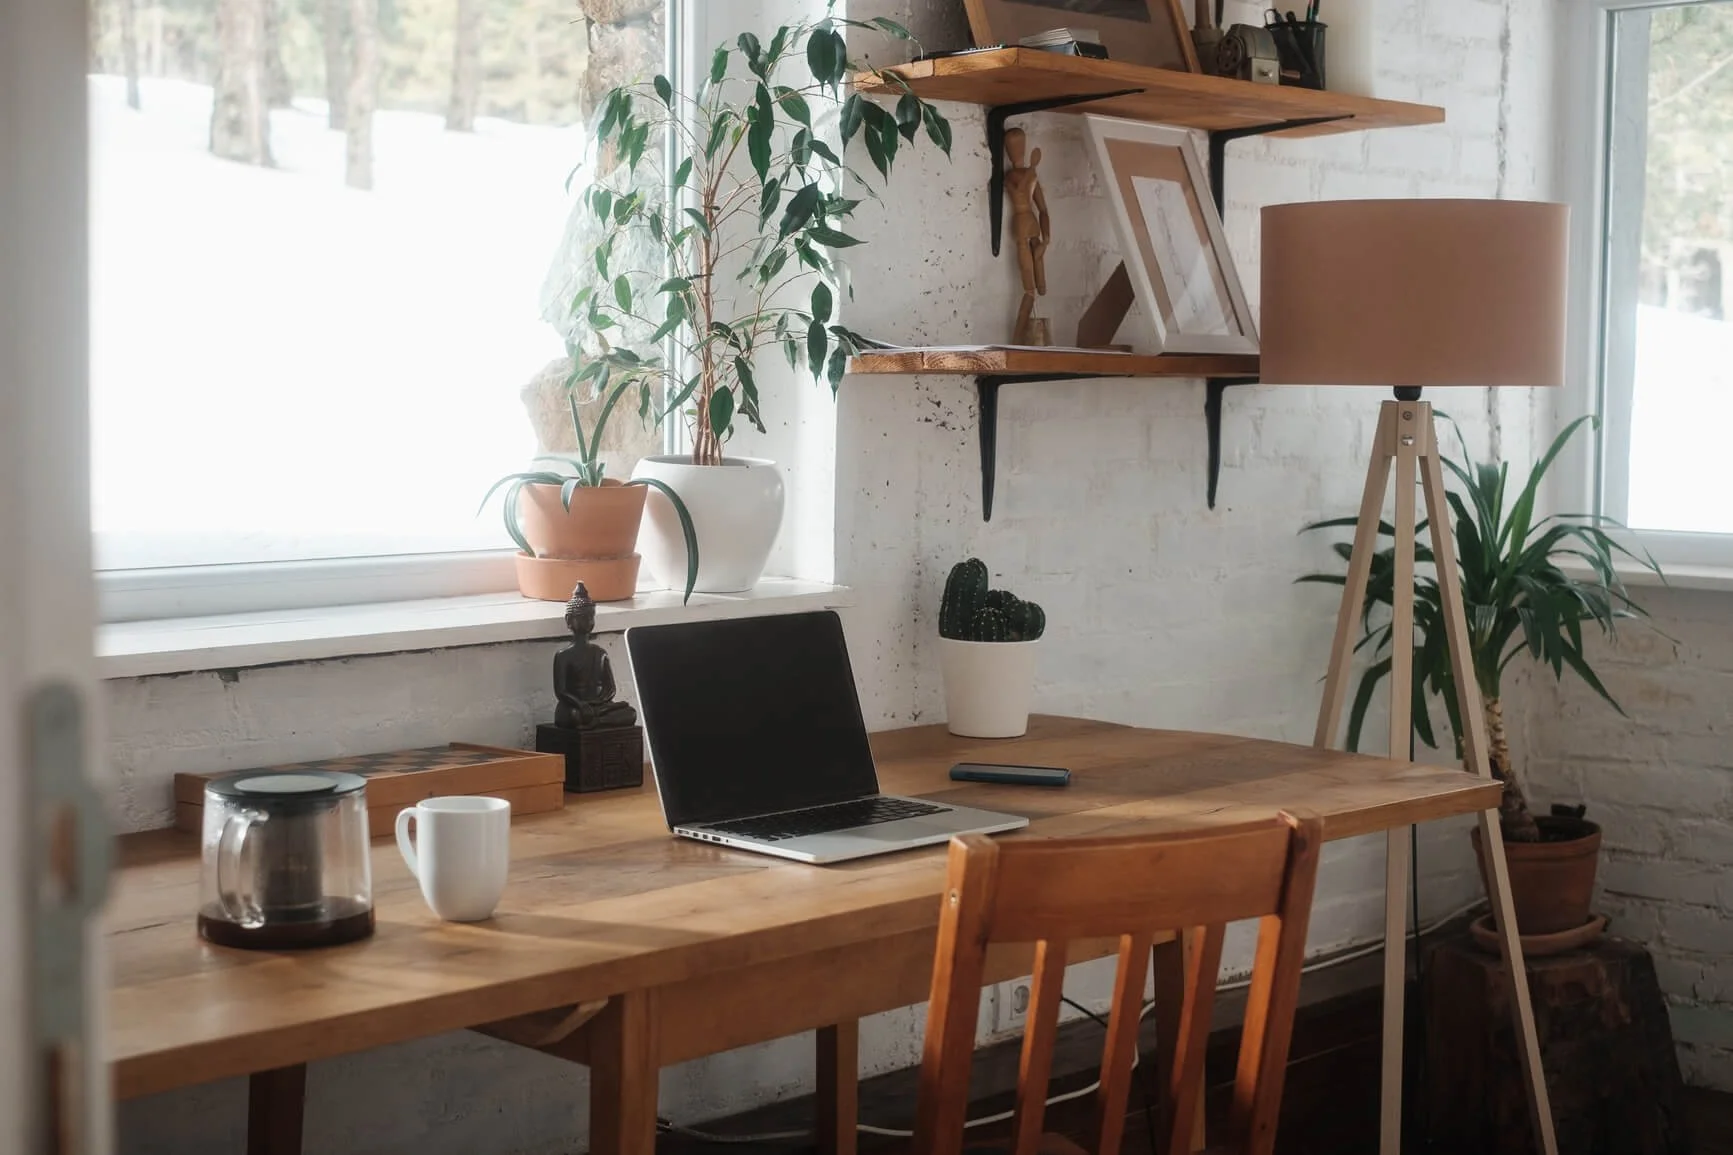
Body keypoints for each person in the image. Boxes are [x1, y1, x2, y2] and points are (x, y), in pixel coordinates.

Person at [552, 583, 638, 730]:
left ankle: (597, 722)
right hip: (576, 707)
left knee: (630, 713)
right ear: (568, 620)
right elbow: (561, 691)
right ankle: (596, 720)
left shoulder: (600, 653)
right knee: (574, 716)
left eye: (590, 617)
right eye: (582, 617)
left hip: (598, 707)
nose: (588, 621)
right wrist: (580, 704)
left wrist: (598, 702)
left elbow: (610, 688)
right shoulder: (563, 656)